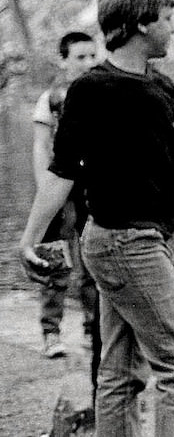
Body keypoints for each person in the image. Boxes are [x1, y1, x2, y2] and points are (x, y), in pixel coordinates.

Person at [18, 0, 174, 436]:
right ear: (142, 24)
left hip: (145, 240)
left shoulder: (162, 87)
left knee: (121, 373)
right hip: (124, 241)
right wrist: (30, 239)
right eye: (167, 19)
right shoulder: (92, 89)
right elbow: (62, 171)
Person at [31, 31, 98, 360]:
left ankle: (91, 327)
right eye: (80, 57)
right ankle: (50, 331)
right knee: (55, 257)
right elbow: (41, 144)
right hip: (60, 185)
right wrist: (45, 186)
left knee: (92, 259)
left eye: (92, 55)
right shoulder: (53, 98)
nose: (88, 63)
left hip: (92, 187)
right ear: (64, 61)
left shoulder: (102, 91)